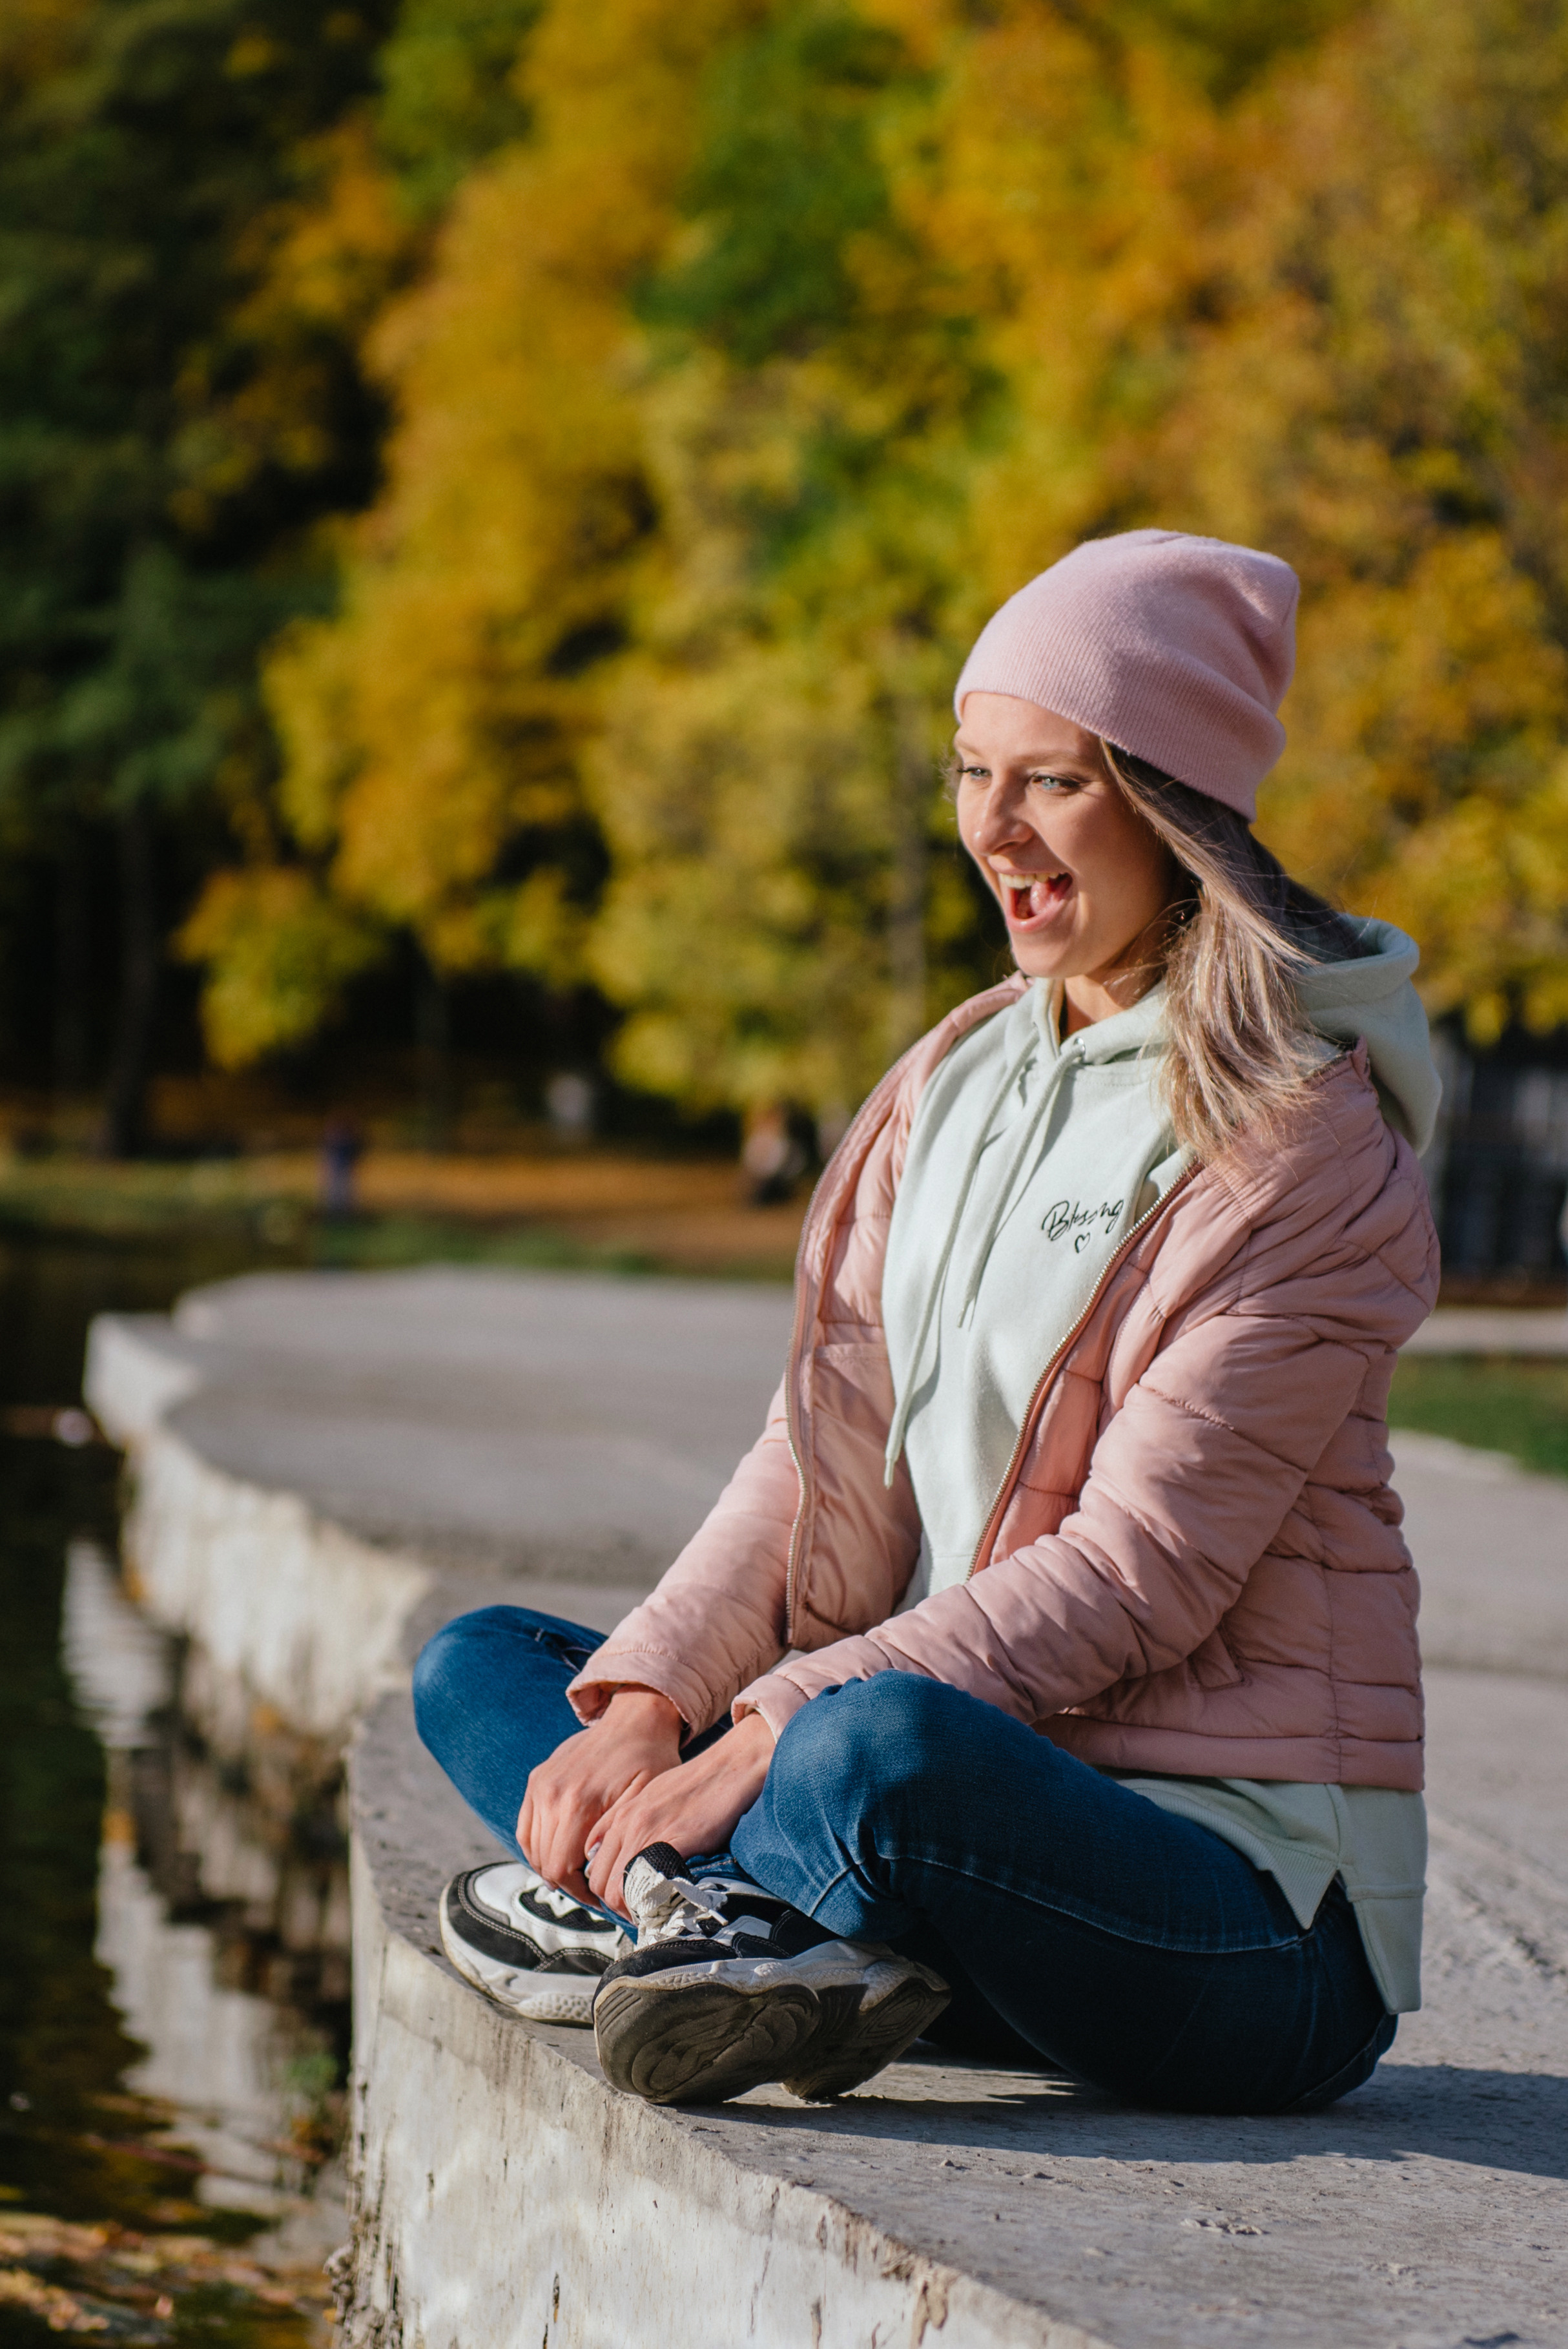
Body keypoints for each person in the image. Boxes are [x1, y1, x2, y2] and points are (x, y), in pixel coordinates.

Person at [415, 528, 1441, 2114]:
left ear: (1172, 806)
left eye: (1052, 780)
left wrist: (759, 1735)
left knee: (865, 1750)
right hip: (950, 1830)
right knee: (488, 1669)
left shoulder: (1302, 1150)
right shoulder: (956, 1078)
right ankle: (744, 1931)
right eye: (972, 769)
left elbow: (1132, 1575)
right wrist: (653, 1704)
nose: (991, 826)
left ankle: (693, 1920)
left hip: (1236, 1922)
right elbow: (806, 1458)